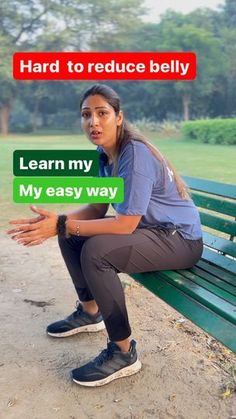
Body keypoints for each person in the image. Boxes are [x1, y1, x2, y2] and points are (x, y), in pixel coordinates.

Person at [7, 84, 203, 387]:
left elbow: (124, 225)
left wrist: (61, 224)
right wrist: (55, 222)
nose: (93, 122)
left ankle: (123, 353)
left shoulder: (134, 154)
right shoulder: (104, 154)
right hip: (151, 231)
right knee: (71, 236)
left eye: (102, 113)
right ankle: (90, 311)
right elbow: (98, 206)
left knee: (96, 250)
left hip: (180, 240)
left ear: (119, 117)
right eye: (87, 115)